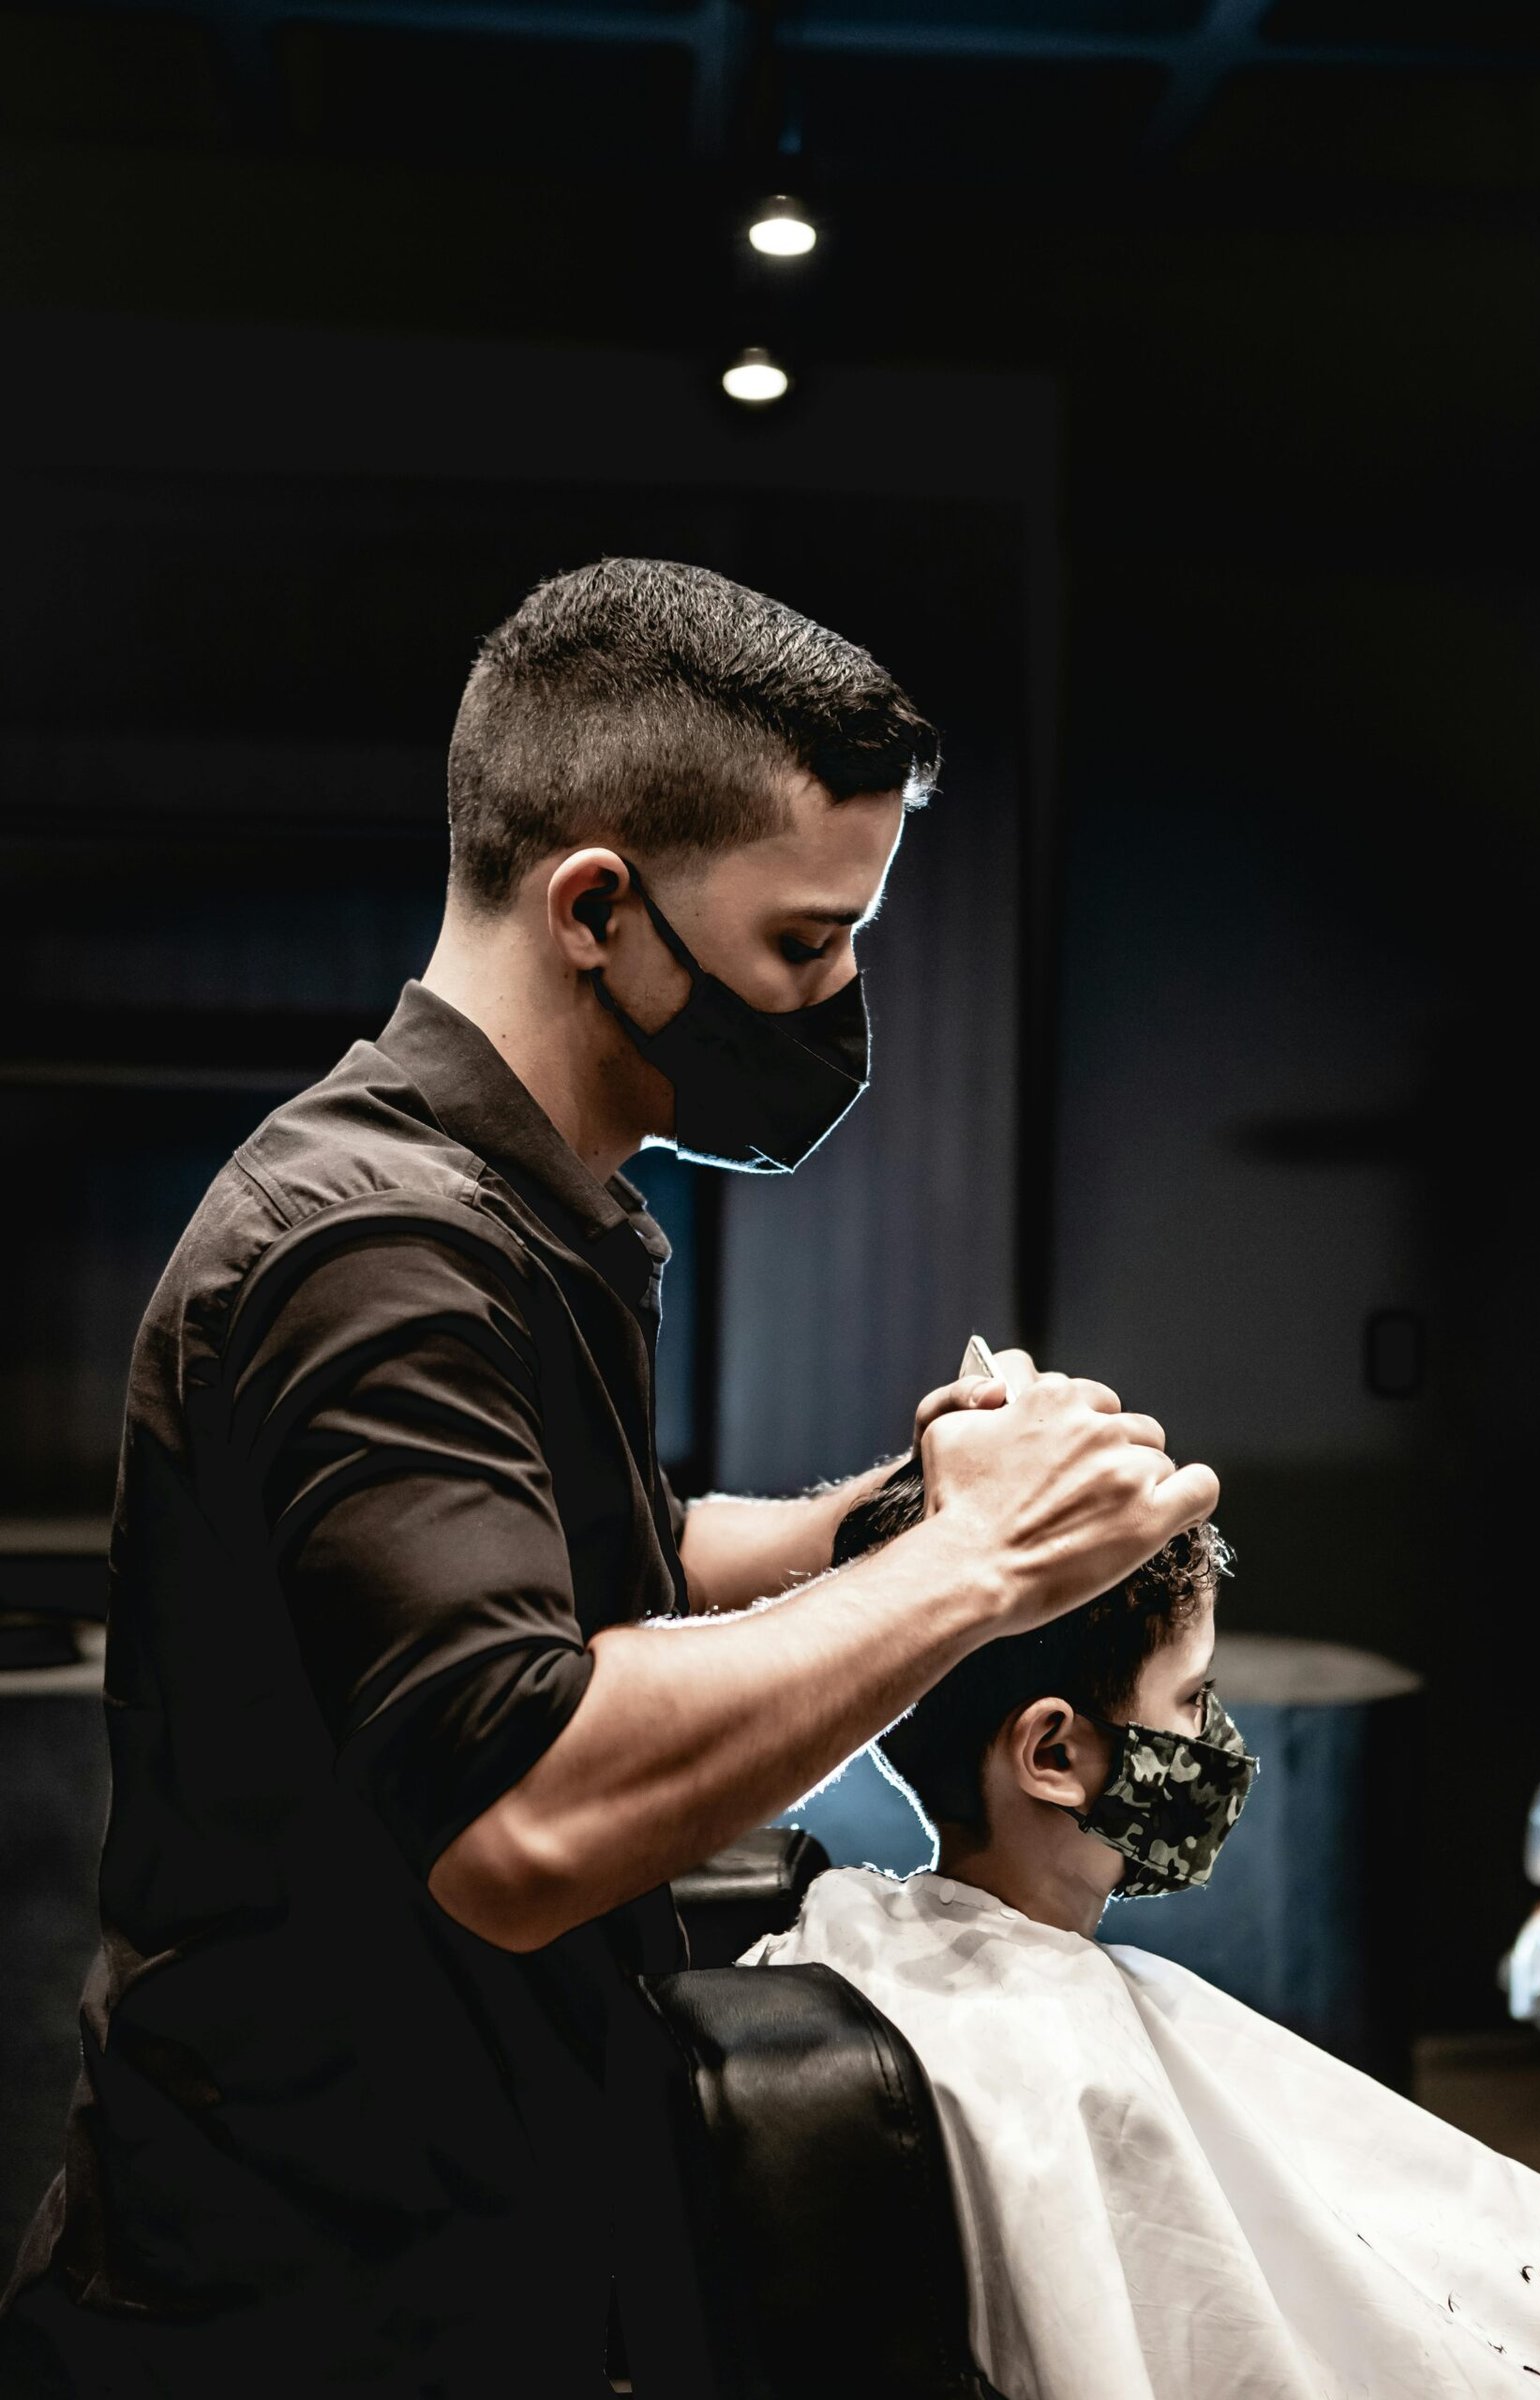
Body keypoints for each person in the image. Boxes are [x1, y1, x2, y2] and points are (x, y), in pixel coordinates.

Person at [0, 559, 1219, 2398]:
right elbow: (525, 1818)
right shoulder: (375, 1254)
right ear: (595, 905)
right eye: (806, 945)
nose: (842, 996)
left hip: (476, 2237)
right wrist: (969, 1567)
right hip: (292, 2308)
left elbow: (607, 1563)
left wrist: (878, 1516)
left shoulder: (527, 1213)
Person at [743, 1459, 1540, 2400]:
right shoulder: (1058, 2076)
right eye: (1193, 1699)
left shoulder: (850, 1925)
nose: (1215, 1739)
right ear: (1056, 1753)